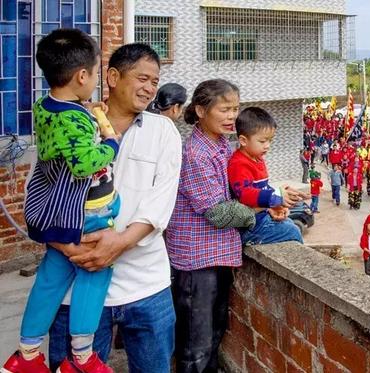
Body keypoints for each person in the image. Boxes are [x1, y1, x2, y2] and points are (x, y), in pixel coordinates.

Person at [44, 43, 182, 372]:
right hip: (75, 285)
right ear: (113, 77)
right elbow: (43, 196)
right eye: (143, 78)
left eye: (155, 81)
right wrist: (68, 246)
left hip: (147, 287)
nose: (150, 88)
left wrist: (116, 244)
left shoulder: (162, 131)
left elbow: (160, 203)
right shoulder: (71, 126)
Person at [3, 28, 119, 373]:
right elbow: (84, 164)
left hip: (56, 210)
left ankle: (27, 353)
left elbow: (65, 131)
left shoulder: (46, 106)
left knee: (51, 278)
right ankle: (81, 356)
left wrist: (89, 111)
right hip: (86, 213)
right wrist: (111, 141)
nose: (96, 80)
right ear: (82, 75)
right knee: (95, 271)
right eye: (96, 73)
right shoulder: (74, 118)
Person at [166, 79, 258, 372]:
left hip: (216, 255)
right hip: (196, 263)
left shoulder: (221, 145)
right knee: (196, 345)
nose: (232, 116)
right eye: (224, 109)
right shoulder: (195, 153)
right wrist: (259, 211)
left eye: (235, 109)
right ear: (201, 110)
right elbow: (217, 212)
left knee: (214, 333)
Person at [228, 107, 306, 245]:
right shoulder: (238, 164)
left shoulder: (257, 158)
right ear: (243, 140)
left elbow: (262, 188)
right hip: (251, 227)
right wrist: (275, 196)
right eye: (262, 141)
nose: (267, 146)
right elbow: (245, 194)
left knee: (288, 222)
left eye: (270, 140)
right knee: (293, 231)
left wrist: (275, 205)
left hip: (261, 218)